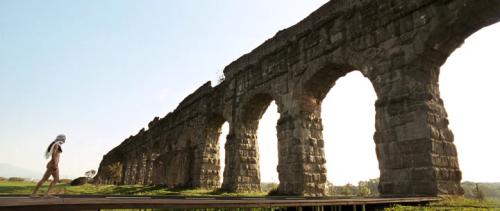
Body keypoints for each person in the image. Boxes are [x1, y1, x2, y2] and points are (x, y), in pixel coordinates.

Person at [30, 134, 66, 198]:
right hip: (53, 164)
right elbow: (54, 155)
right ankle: (33, 193)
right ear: (61, 139)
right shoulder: (56, 145)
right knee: (44, 179)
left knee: (56, 179)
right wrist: (55, 165)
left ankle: (47, 194)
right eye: (64, 139)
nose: (65, 141)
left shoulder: (58, 145)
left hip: (55, 165)